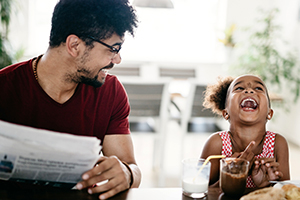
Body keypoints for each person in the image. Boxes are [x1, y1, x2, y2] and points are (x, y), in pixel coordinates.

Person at [0, 0, 141, 199]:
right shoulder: (4, 88)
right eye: (114, 49)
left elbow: (131, 166)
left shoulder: (111, 92)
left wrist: (126, 173)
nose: (117, 60)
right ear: (74, 45)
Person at [201, 74, 290, 188]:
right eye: (239, 88)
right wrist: (232, 176)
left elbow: (287, 193)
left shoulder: (278, 143)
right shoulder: (216, 143)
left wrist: (265, 185)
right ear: (225, 113)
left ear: (269, 113)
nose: (249, 90)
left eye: (258, 88)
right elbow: (200, 192)